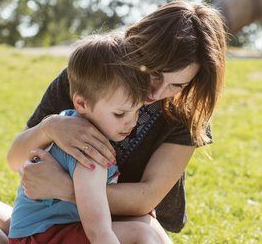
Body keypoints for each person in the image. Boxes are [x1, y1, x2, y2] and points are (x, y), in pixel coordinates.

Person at [0, 0, 227, 243]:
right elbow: (16, 160)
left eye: (177, 84)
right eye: (155, 74)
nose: (157, 92)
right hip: (52, 222)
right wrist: (50, 127)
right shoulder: (94, 76)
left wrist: (66, 188)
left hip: (117, 226)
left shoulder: (188, 111)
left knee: (149, 236)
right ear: (140, 44)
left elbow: (146, 197)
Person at [9, 32, 168, 244]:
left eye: (137, 111)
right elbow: (98, 233)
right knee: (141, 235)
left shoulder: (71, 123)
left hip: (49, 230)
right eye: (120, 114)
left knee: (142, 224)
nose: (131, 122)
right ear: (82, 103)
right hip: (40, 236)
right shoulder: (87, 150)